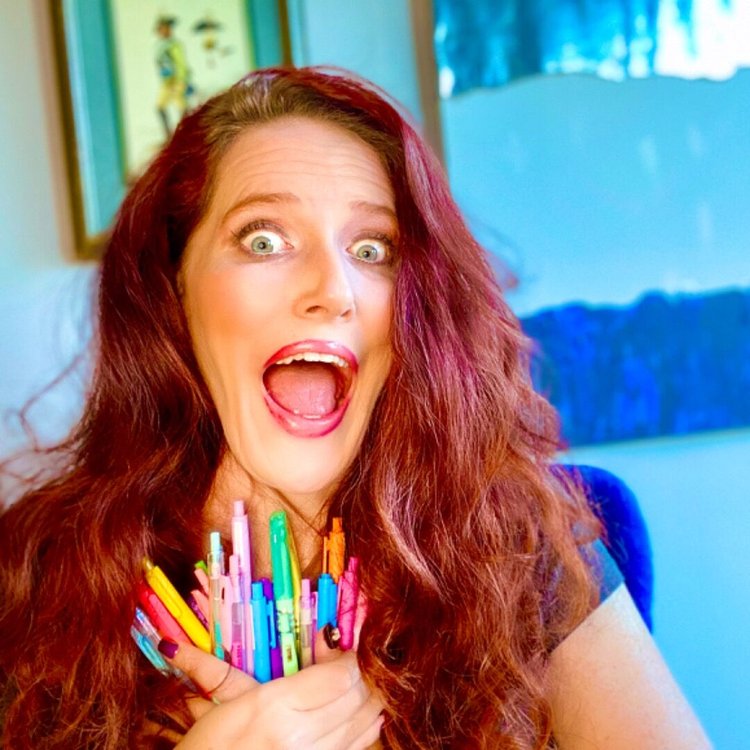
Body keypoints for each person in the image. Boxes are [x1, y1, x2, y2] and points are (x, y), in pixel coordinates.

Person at [0, 66, 711, 749]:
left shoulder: (517, 546)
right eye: (264, 239)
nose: (333, 290)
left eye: (372, 249)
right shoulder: (33, 576)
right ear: (173, 287)